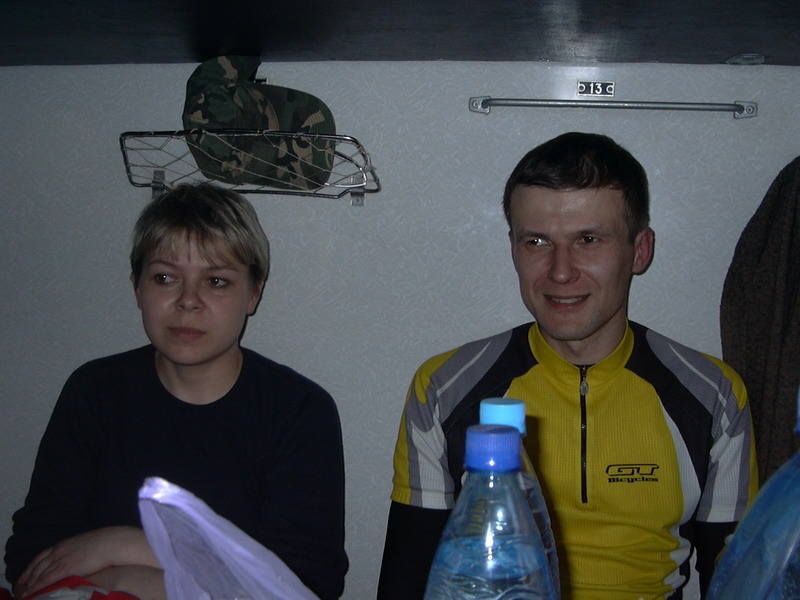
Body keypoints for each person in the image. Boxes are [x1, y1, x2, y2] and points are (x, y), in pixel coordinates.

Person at [377, 132, 758, 600]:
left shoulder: (714, 394)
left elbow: (741, 582)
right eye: (536, 241)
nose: (560, 271)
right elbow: (406, 581)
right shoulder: (442, 388)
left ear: (640, 250)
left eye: (588, 240)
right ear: (513, 249)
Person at [5, 183, 348, 600]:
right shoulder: (94, 391)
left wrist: (122, 551)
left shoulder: (299, 411)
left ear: (253, 293)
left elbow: (305, 584)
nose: (188, 301)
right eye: (165, 278)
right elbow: (31, 562)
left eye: (216, 281)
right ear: (137, 288)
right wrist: (190, 578)